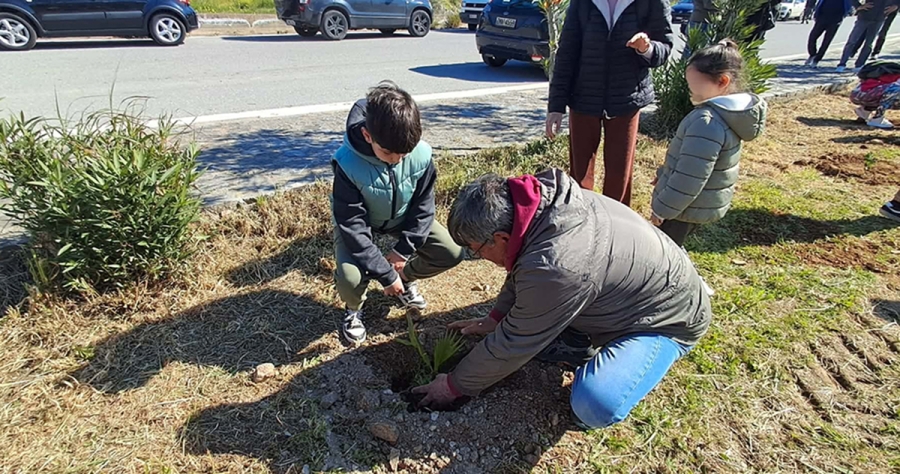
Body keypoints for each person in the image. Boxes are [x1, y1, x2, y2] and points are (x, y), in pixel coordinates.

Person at [411, 169, 712, 430]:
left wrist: (453, 386)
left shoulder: (558, 264)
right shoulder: (545, 207)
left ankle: (626, 356)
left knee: (595, 403)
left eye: (476, 250)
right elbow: (523, 270)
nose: (477, 256)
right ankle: (577, 339)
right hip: (629, 288)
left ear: (501, 238)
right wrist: (496, 317)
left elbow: (514, 342)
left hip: (669, 317)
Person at [330, 81, 464, 343]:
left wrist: (403, 252)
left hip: (400, 217)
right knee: (349, 277)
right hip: (361, 224)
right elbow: (353, 227)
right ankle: (353, 309)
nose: (396, 159)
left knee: (451, 252)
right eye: (388, 152)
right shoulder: (347, 163)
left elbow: (424, 208)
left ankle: (405, 279)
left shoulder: (420, 154)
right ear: (367, 135)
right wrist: (385, 273)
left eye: (404, 153)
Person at [545, 0, 674, 207]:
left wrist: (646, 48)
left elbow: (664, 48)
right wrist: (556, 106)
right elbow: (567, 52)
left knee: (619, 175)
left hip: (626, 99)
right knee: (580, 176)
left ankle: (617, 221)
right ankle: (581, 218)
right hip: (584, 97)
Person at [652, 40, 768, 248]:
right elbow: (694, 163)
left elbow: (689, 178)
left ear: (722, 81)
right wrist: (664, 175)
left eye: (692, 83)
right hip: (698, 204)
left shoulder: (706, 122)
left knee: (665, 250)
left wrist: (663, 209)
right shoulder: (729, 115)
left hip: (682, 209)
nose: (688, 88)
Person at [836, 0, 899, 73]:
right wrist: (858, 6)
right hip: (865, 16)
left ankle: (859, 65)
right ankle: (842, 64)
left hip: (880, 18)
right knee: (852, 41)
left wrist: (896, 6)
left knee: (869, 43)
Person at [806, 0, 855, 67]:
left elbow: (850, 5)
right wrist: (814, 11)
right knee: (812, 37)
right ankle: (812, 55)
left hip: (836, 19)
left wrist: (847, 12)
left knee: (826, 42)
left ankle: (816, 60)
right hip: (822, 17)